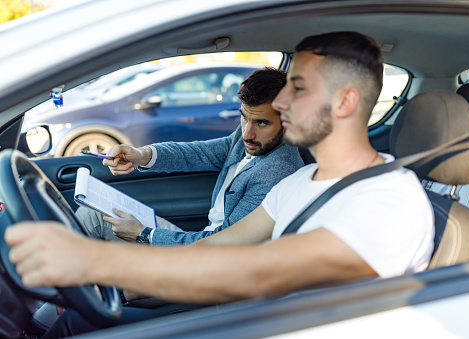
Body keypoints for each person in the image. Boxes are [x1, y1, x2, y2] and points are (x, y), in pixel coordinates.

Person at [5, 31, 434, 337]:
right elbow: (218, 248)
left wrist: (92, 262)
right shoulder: (304, 180)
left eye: (297, 88)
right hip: (246, 316)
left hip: (254, 322)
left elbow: (257, 272)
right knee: (75, 323)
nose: (282, 104)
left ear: (345, 101)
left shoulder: (388, 202)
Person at [76, 67, 304, 246]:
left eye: (262, 123)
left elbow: (224, 245)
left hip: (208, 260)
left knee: (93, 222)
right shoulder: (248, 137)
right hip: (201, 242)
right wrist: (141, 155)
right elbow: (196, 152)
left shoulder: (277, 171)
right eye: (243, 117)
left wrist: (145, 235)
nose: (247, 133)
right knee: (91, 212)